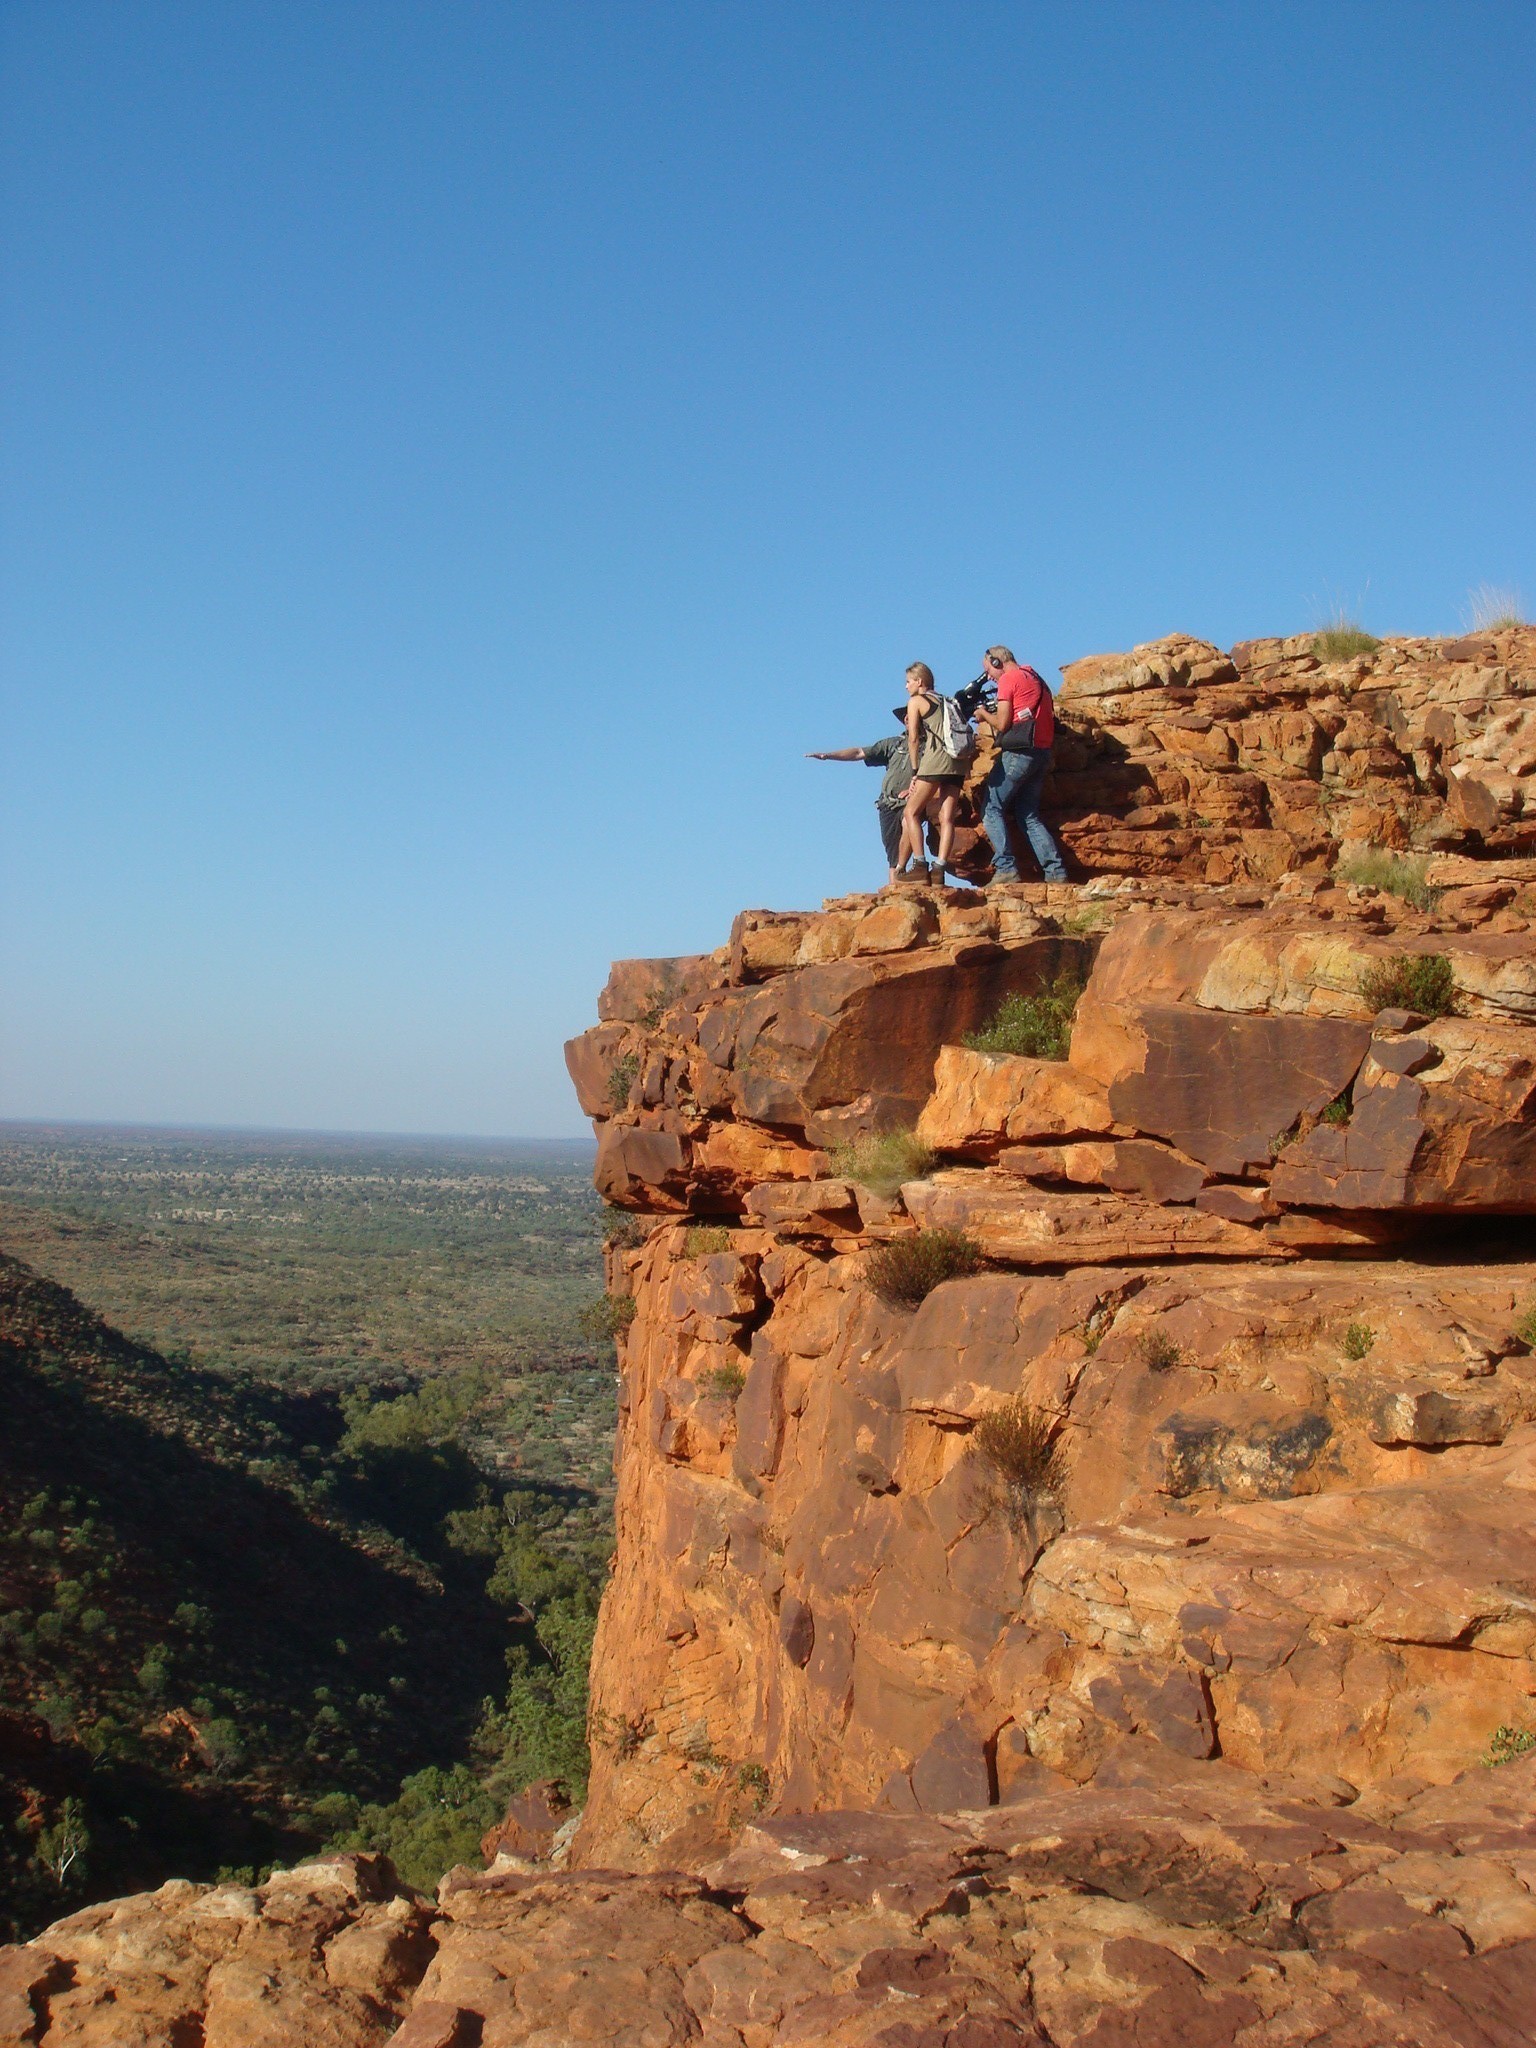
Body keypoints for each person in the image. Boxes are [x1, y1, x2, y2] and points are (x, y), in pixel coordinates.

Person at [807, 709, 940, 887]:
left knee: (909, 823)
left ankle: (911, 868)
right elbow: (858, 753)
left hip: (912, 800)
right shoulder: (894, 744)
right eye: (906, 717)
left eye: (912, 715)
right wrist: (828, 756)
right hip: (888, 802)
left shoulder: (929, 746)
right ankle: (895, 886)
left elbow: (936, 771)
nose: (908, 719)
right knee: (891, 851)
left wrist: (916, 787)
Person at [974, 644, 1068, 884]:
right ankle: (1055, 872)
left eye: (988, 670)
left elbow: (1004, 723)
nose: (989, 677)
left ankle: (1006, 868)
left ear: (997, 662)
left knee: (991, 807)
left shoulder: (1009, 680)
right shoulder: (1034, 676)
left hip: (1018, 753)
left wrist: (983, 715)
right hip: (1042, 752)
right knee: (1027, 813)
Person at [896, 662, 967, 886]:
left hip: (935, 762)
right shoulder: (946, 700)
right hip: (957, 762)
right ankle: (939, 869)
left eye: (908, 681)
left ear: (920, 681)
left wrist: (915, 770)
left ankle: (919, 865)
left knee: (911, 812)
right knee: (947, 817)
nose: (906, 686)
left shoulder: (916, 701)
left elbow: (914, 738)